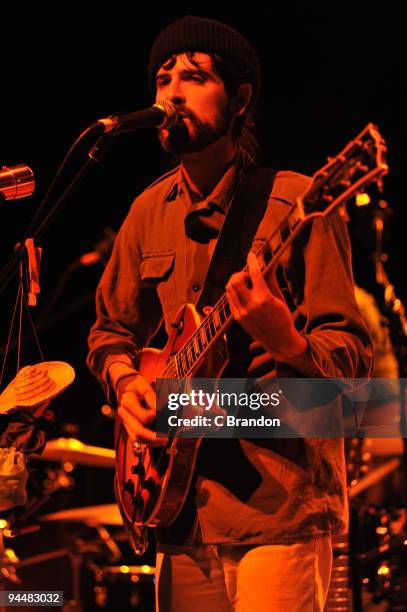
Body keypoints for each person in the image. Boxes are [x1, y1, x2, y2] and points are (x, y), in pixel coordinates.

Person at [87, 15, 373, 612]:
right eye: (163, 80)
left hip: (278, 512)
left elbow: (356, 378)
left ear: (240, 100)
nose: (171, 93)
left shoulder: (298, 201)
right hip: (178, 510)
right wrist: (128, 380)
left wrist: (288, 341)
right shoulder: (146, 213)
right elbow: (110, 332)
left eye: (194, 77)